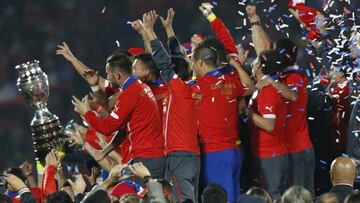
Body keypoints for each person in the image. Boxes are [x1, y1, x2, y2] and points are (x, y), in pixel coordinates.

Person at [132, 9, 201, 203]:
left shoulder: (180, 90)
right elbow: (177, 60)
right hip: (190, 154)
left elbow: (164, 63)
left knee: (183, 200)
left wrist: (150, 31)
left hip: (179, 155)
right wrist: (168, 30)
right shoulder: (193, 87)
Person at [71, 53, 165, 179]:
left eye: (108, 74)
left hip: (146, 158)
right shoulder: (140, 87)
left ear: (117, 75)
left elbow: (107, 127)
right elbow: (124, 130)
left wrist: (86, 113)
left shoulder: (129, 93)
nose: (107, 78)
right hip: (152, 155)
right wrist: (104, 151)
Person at [192, 43, 246, 203]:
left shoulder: (199, 86)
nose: (192, 66)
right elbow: (248, 86)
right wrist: (236, 64)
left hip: (215, 153)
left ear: (200, 62)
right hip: (233, 152)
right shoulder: (230, 80)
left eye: (193, 61)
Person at [244, 50, 288, 199]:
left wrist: (247, 112)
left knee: (272, 196)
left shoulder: (268, 91)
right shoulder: (264, 87)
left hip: (269, 154)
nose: (253, 64)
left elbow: (269, 125)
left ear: (261, 67)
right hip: (269, 151)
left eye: (256, 61)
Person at [329, 68, 351, 156]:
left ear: (342, 76)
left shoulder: (350, 88)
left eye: (336, 75)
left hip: (346, 120)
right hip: (336, 121)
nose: (333, 76)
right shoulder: (335, 89)